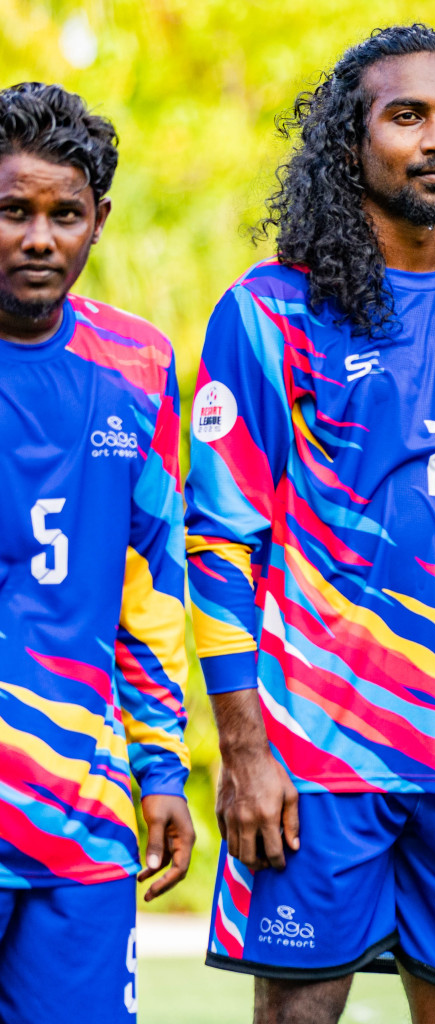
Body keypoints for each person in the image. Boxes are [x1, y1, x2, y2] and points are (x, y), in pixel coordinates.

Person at [186, 26, 435, 1023]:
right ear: (350, 143)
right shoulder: (271, 312)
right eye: (407, 116)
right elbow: (220, 542)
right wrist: (245, 746)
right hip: (316, 752)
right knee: (301, 1012)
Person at [0, 82, 193, 1023]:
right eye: (13, 211)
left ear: (98, 221)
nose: (39, 238)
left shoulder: (140, 364)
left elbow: (153, 585)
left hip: (82, 811)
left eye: (63, 214)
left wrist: (161, 769)